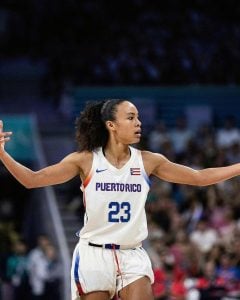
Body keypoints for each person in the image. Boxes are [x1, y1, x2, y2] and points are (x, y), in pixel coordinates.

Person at [1, 99, 240, 300]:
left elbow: (199, 177)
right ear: (111, 125)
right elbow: (32, 179)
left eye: (138, 118)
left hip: (132, 254)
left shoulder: (148, 161)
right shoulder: (84, 160)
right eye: (131, 117)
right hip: (94, 254)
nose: (139, 123)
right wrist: (2, 153)